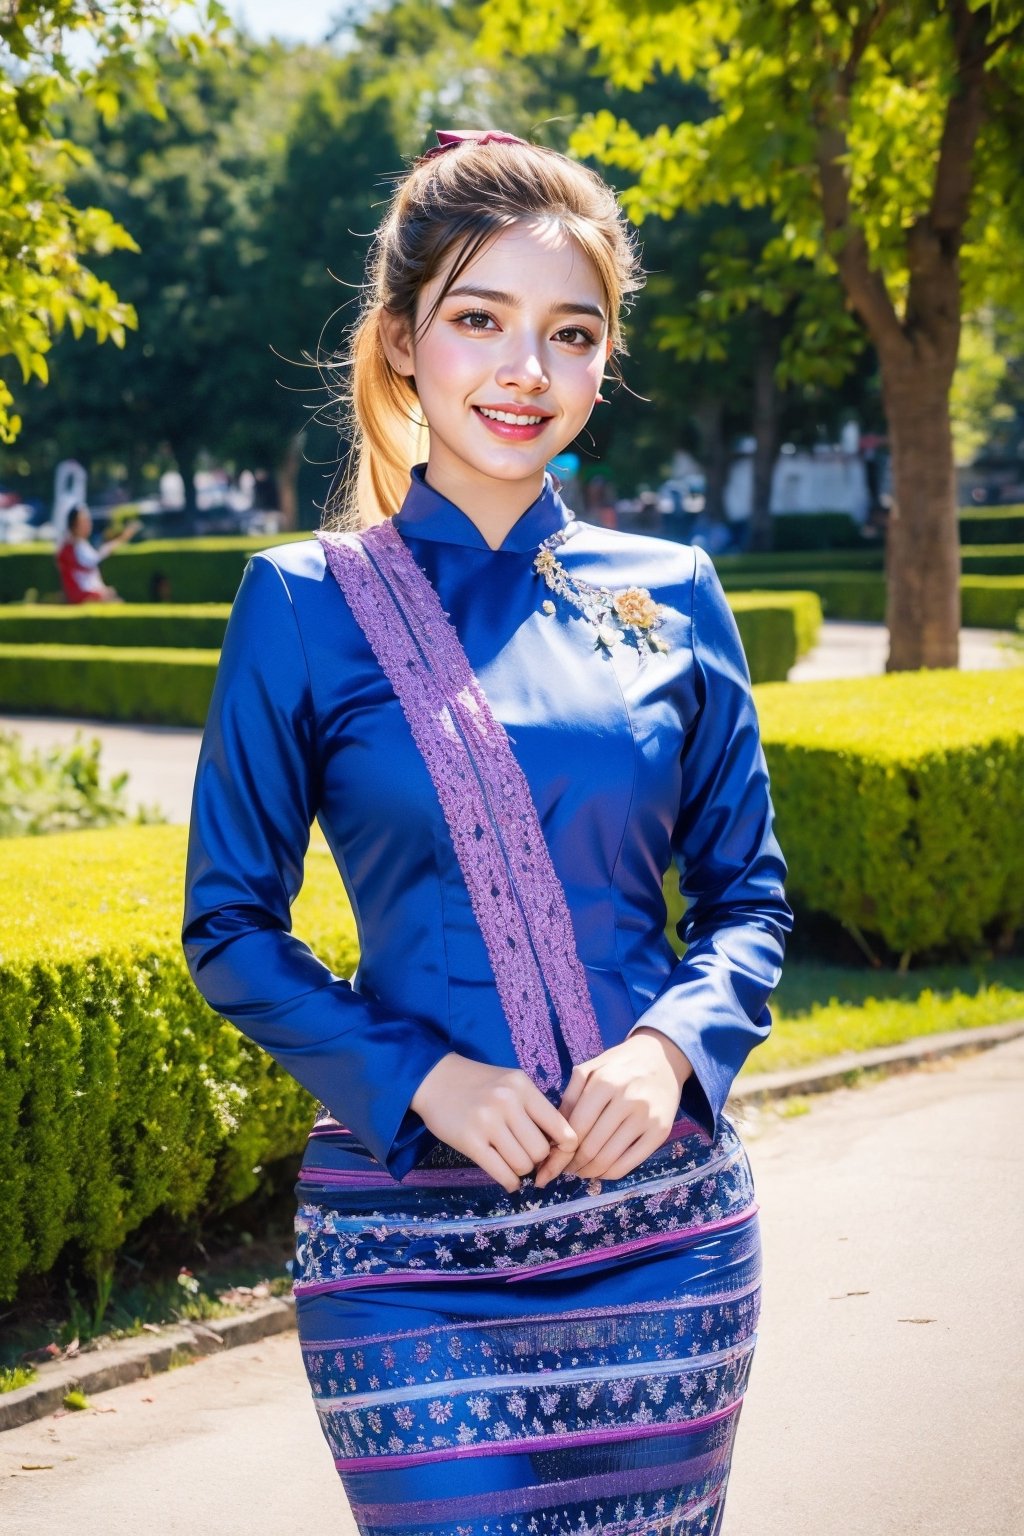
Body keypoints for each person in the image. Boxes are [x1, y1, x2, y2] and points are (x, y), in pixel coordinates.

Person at [183, 130, 791, 1536]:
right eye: (480, 321)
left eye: (570, 334)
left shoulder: (677, 591)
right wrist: (422, 1082)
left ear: (602, 361)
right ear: (401, 343)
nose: (528, 370)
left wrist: (672, 1049)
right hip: (405, 1245)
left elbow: (749, 896)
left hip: (664, 1229)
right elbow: (229, 930)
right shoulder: (300, 603)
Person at [55, 504, 141, 603]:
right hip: (82, 597)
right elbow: (96, 559)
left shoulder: (80, 544)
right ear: (74, 525)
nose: (88, 524)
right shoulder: (69, 548)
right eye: (83, 521)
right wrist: (123, 538)